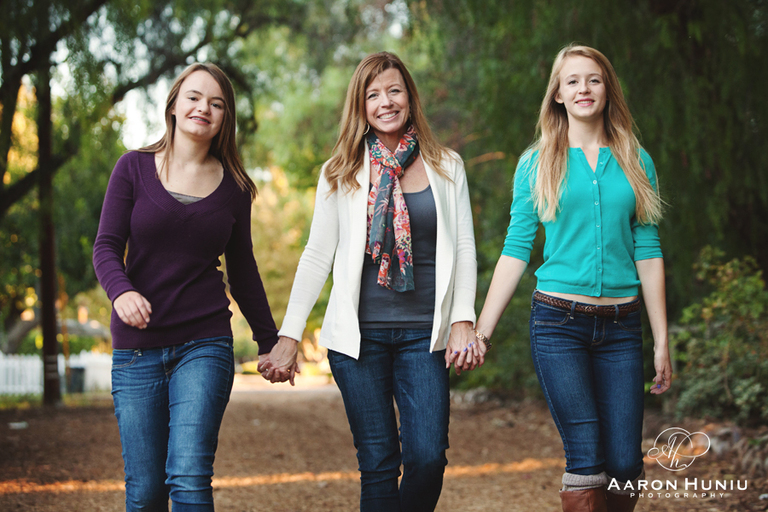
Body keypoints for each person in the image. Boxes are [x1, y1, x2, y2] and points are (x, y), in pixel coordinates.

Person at [262, 51, 483, 511]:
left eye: (394, 90)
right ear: (360, 106)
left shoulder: (447, 165)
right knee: (379, 463)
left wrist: (463, 318)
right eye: (373, 94)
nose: (386, 101)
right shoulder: (340, 171)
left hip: (426, 334)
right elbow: (317, 254)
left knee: (427, 457)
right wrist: (289, 333)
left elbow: (463, 247)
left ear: (410, 97)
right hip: (358, 339)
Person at [474, 44, 672, 512]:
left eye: (594, 79)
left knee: (626, 465)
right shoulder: (537, 162)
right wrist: (482, 329)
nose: (584, 88)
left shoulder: (636, 159)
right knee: (587, 457)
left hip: (623, 328)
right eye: (573, 81)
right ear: (557, 95)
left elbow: (648, 249)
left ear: (607, 90)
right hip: (558, 325)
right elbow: (516, 249)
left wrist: (661, 339)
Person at [93, 62, 294, 511]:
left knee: (188, 477)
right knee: (145, 494)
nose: (204, 108)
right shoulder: (132, 168)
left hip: (204, 343)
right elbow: (105, 246)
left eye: (217, 103)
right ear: (173, 105)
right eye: (194, 97)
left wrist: (270, 341)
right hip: (137, 350)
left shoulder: (236, 187)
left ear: (226, 118)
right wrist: (121, 291)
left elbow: (243, 270)